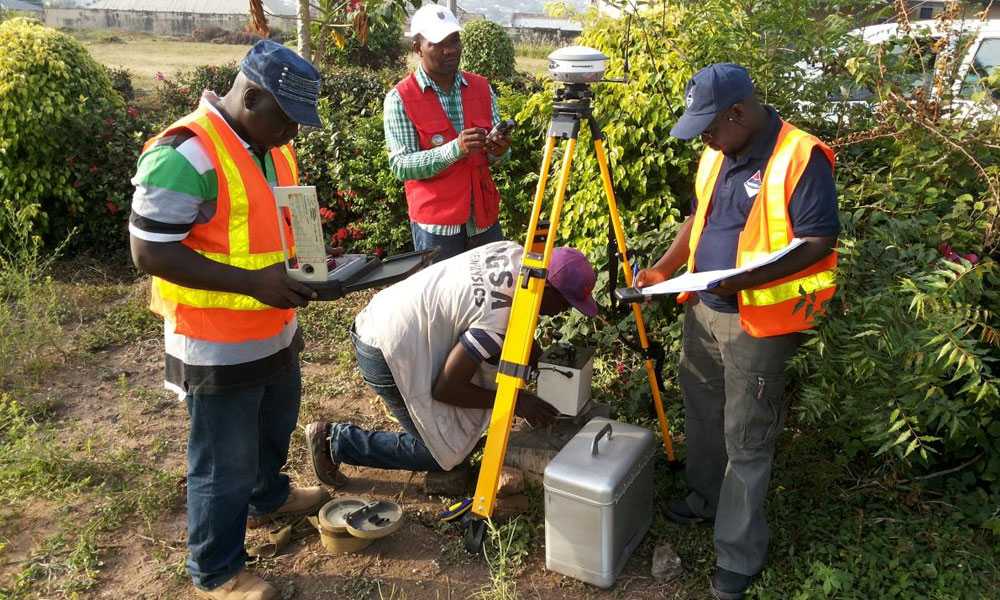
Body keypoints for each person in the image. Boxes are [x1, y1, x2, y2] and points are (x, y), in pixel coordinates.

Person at [129, 40, 332, 600]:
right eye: (288, 120)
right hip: (215, 342)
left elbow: (279, 223)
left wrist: (316, 262)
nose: (292, 134)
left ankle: (268, 498)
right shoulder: (185, 152)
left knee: (275, 424)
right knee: (223, 460)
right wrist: (254, 284)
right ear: (252, 94)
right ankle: (216, 571)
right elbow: (149, 251)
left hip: (274, 330)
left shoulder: (270, 145)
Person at [635, 64, 839, 600]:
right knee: (702, 414)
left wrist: (744, 278)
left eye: (711, 124)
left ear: (739, 112)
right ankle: (705, 499)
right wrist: (663, 268)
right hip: (702, 311)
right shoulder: (718, 150)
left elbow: (817, 241)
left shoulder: (800, 156)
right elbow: (698, 217)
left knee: (747, 436)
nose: (704, 135)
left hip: (759, 323)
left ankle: (739, 554)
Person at [305, 241, 598, 494]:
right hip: (385, 352)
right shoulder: (496, 321)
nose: (565, 311)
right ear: (546, 288)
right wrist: (517, 403)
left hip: (386, 314)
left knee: (468, 414)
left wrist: (545, 368)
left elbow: (517, 324)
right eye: (566, 303)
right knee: (446, 455)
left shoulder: (515, 254)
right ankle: (336, 441)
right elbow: (446, 388)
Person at [383, 3, 512, 263]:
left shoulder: (481, 88)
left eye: (454, 40)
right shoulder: (400, 98)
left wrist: (500, 151)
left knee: (492, 300)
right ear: (417, 48)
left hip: (484, 221)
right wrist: (455, 149)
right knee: (441, 302)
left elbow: (499, 156)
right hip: (437, 228)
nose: (450, 49)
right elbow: (401, 165)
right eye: (439, 42)